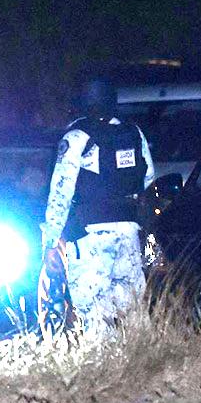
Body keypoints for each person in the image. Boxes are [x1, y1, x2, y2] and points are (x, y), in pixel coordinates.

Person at [41, 78, 154, 335]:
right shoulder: (133, 133)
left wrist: (51, 241)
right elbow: (148, 178)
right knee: (132, 312)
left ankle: (104, 360)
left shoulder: (76, 137)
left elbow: (61, 192)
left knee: (93, 314)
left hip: (90, 237)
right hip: (128, 232)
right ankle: (142, 358)